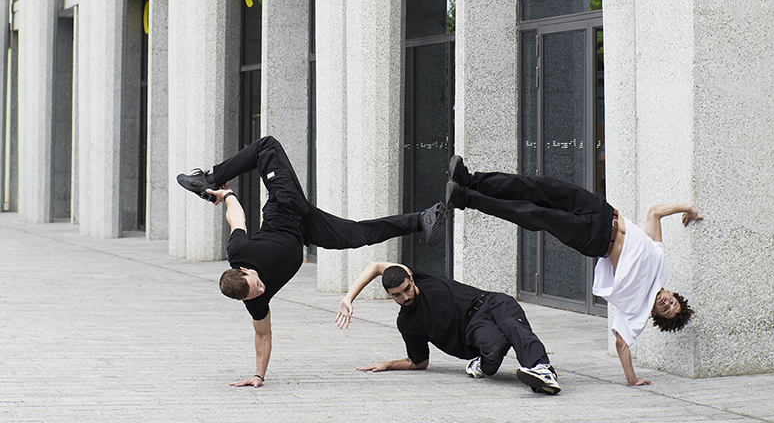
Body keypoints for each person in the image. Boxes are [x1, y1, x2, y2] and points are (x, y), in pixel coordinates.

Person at [177, 136, 446, 387]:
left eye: (255, 284)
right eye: (254, 293)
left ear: (244, 271)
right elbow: (262, 336)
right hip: (306, 229)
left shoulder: (239, 253)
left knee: (266, 146)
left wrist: (227, 195)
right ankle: (422, 220)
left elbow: (237, 219)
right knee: (357, 235)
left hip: (284, 206)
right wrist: (258, 375)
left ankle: (209, 178)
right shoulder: (255, 301)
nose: (260, 289)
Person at [444, 155, 701, 387]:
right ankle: (470, 180)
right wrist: (687, 207)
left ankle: (464, 198)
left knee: (532, 213)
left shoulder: (637, 311)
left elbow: (622, 344)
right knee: (537, 187)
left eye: (666, 310)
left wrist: (631, 379)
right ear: (672, 293)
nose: (667, 304)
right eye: (673, 302)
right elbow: (654, 213)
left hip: (593, 238)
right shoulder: (660, 264)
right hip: (602, 210)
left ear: (656, 313)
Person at [334, 261, 561, 394]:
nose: (405, 297)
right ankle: (483, 363)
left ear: (411, 280)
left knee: (512, 323)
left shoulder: (417, 277)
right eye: (397, 295)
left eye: (406, 289)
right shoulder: (407, 322)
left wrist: (349, 298)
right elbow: (419, 362)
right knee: (494, 346)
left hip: (490, 301)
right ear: (389, 295)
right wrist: (388, 364)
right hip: (475, 326)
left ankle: (541, 369)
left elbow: (374, 266)